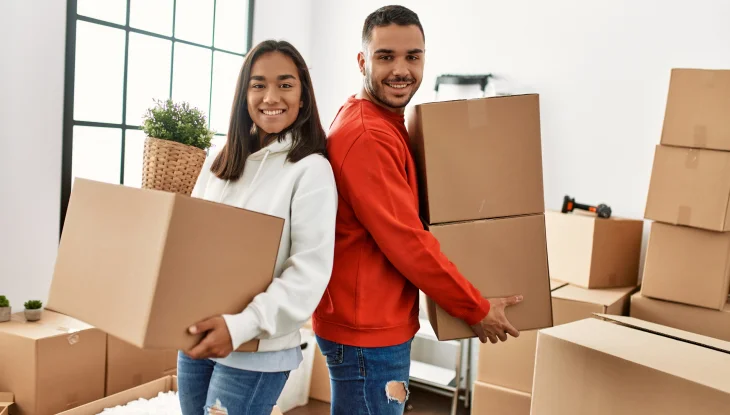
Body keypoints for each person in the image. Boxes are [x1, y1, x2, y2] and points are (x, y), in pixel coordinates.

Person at [312, 5, 523, 414]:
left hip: (370, 325)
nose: (401, 69)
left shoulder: (383, 121)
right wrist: (475, 307)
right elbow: (406, 241)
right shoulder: (369, 135)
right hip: (366, 333)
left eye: (413, 56)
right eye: (385, 56)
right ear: (362, 60)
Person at [177, 40, 337, 415]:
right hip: (199, 333)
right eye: (258, 84)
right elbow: (190, 243)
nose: (271, 97)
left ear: (303, 97)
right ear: (244, 94)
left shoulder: (311, 170)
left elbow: (308, 273)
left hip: (256, 348)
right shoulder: (222, 161)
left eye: (285, 84)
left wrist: (240, 326)